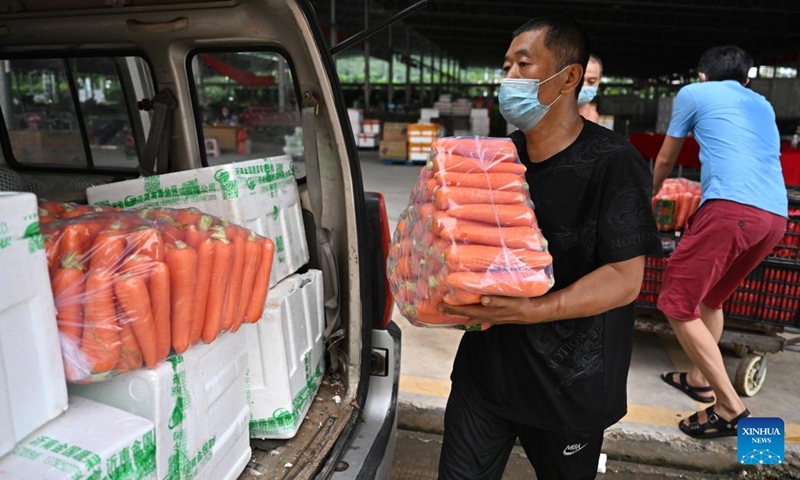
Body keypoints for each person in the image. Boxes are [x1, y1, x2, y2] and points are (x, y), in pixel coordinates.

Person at [438, 17, 662, 480]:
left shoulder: (614, 163)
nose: (508, 80)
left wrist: (531, 310)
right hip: (486, 376)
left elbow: (624, 280)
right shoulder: (496, 159)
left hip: (568, 388)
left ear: (569, 78)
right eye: (505, 67)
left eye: (523, 65)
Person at [653, 46, 787, 439]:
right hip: (773, 218)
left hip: (731, 211)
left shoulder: (695, 94)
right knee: (710, 299)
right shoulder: (762, 103)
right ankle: (698, 379)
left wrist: (650, 195)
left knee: (675, 304)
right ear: (747, 80)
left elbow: (665, 159)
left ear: (700, 76)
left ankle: (730, 407)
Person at [578, 54, 602, 123]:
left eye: (591, 81)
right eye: (579, 80)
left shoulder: (593, 116)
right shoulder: (548, 111)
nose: (584, 85)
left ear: (599, 79)